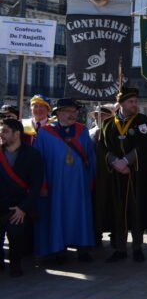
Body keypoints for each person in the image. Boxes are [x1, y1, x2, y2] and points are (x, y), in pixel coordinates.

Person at [34, 98, 96, 262]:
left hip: (78, 184)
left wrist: (89, 180)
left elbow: (90, 158)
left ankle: (83, 246)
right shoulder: (44, 133)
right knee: (57, 214)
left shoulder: (82, 131)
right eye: (69, 111)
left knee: (80, 214)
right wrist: (43, 184)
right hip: (55, 185)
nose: (73, 114)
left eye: (75, 111)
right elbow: (38, 162)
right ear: (58, 113)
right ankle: (58, 249)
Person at [101, 86, 147, 262]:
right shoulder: (108, 124)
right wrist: (115, 162)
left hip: (136, 175)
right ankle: (120, 248)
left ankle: (137, 247)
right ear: (121, 104)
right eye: (131, 102)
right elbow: (102, 148)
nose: (134, 105)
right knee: (118, 211)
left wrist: (127, 161)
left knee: (136, 209)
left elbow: (146, 145)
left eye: (135, 102)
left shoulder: (143, 121)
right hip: (116, 175)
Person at [0, 118, 44, 276]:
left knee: (16, 234)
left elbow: (36, 186)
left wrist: (23, 208)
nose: (1, 134)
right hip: (0, 205)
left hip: (18, 207)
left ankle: (15, 265)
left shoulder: (32, 155)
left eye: (5, 131)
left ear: (17, 133)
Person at [89, 104, 114, 243]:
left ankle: (114, 235)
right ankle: (96, 235)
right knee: (95, 205)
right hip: (95, 173)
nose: (101, 118)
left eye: (104, 115)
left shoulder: (114, 131)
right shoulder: (90, 132)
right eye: (98, 115)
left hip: (110, 172)